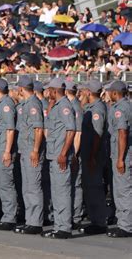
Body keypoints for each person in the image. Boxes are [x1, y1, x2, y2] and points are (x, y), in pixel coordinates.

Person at [42, 78, 76, 239]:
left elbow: (71, 130)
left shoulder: (64, 106)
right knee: (56, 192)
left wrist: (63, 153)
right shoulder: (56, 105)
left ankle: (64, 228)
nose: (47, 92)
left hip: (60, 155)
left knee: (62, 192)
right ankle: (59, 225)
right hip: (53, 154)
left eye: (49, 90)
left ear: (55, 90)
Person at [13, 76, 44, 235]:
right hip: (24, 149)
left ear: (21, 88)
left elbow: (38, 129)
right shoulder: (25, 103)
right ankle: (30, 220)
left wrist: (35, 150)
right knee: (27, 188)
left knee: (33, 187)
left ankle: (35, 222)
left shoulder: (33, 104)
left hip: (31, 150)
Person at [77, 80, 108, 235]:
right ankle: (95, 220)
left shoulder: (97, 109)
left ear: (89, 92)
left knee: (95, 188)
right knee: (89, 188)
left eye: (84, 91)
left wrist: (92, 156)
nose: (82, 93)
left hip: (94, 155)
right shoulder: (90, 107)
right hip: (89, 154)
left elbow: (97, 135)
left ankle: (100, 222)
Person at [0, 79, 17, 231]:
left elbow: (10, 129)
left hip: (3, 149)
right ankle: (7, 215)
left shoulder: (6, 104)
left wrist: (7, 151)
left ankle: (9, 218)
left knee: (6, 184)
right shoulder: (1, 103)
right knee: (2, 184)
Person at [105, 81, 131, 238]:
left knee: (124, 191)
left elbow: (122, 133)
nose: (108, 94)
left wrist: (120, 159)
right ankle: (124, 223)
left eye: (109, 92)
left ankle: (126, 226)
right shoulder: (124, 105)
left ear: (115, 93)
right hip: (120, 153)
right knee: (121, 189)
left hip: (123, 155)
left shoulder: (121, 108)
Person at [65, 81, 83, 229]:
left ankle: (75, 217)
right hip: (70, 150)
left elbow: (77, 133)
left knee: (75, 184)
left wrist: (75, 153)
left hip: (74, 151)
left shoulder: (75, 107)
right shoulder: (70, 105)